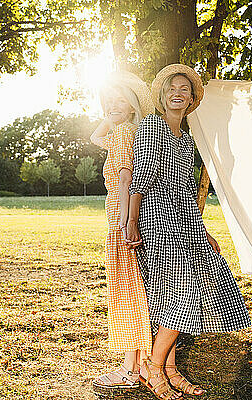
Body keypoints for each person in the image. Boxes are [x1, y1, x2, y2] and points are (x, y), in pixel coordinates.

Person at [126, 64, 251, 399]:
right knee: (177, 296)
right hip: (157, 218)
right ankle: (154, 367)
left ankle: (169, 369)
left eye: (184, 89)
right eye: (171, 89)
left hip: (185, 222)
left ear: (192, 98)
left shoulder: (186, 139)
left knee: (185, 295)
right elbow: (141, 177)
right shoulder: (152, 125)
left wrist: (203, 230)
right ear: (163, 96)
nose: (177, 93)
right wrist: (132, 220)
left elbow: (185, 189)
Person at [89, 71, 155, 392]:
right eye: (108, 100)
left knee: (126, 292)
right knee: (134, 291)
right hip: (124, 216)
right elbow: (94, 138)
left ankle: (129, 370)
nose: (113, 105)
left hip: (121, 217)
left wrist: (125, 221)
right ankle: (139, 363)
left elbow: (128, 177)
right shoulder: (127, 131)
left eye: (120, 100)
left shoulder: (123, 133)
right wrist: (111, 114)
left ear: (132, 106)